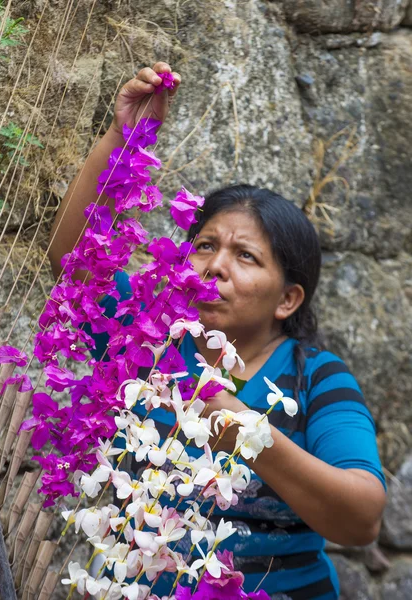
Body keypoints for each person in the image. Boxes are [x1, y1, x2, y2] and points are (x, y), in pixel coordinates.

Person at [49, 63, 386, 600]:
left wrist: (244, 429)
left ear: (287, 299)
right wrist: (126, 138)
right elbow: (75, 265)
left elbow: (361, 518)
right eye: (205, 246)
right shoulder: (147, 344)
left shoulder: (314, 378)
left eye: (246, 256)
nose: (215, 266)